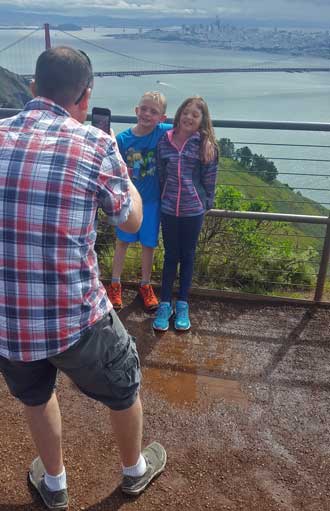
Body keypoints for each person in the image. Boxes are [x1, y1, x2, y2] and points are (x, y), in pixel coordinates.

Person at [0, 46, 166, 511]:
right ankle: (133, 471)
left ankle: (54, 484)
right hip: (76, 317)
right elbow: (130, 222)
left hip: (8, 318)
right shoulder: (95, 142)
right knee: (124, 385)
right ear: (86, 97)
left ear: (33, 88)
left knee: (35, 395)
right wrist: (127, 180)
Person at [153, 96, 218, 332]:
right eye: (186, 112)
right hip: (169, 208)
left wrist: (205, 203)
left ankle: (182, 304)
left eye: (195, 114)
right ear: (179, 114)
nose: (189, 117)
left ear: (202, 121)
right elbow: (161, 172)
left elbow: (210, 178)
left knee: (188, 256)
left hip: (193, 210)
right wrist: (164, 198)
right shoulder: (165, 141)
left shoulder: (204, 144)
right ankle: (164, 304)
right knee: (171, 256)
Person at [107, 92, 172, 311]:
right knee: (122, 242)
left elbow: (185, 127)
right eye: (144, 109)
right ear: (136, 110)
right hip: (129, 200)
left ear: (162, 118)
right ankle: (115, 283)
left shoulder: (162, 132)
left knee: (149, 245)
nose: (147, 114)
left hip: (153, 202)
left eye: (153, 112)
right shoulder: (123, 139)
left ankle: (145, 285)